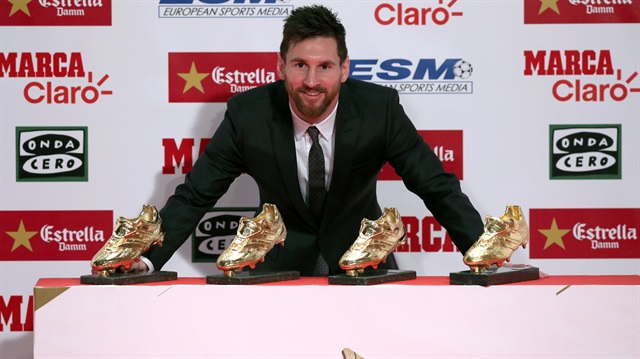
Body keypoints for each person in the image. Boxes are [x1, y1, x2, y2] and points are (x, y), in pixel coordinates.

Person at [135, 4, 484, 276]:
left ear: (344, 69)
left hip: (363, 266)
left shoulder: (380, 110)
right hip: (275, 268)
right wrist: (146, 260)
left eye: (325, 67)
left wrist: (483, 250)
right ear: (280, 66)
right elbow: (196, 194)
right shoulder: (248, 115)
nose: (312, 81)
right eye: (300, 65)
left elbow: (436, 186)